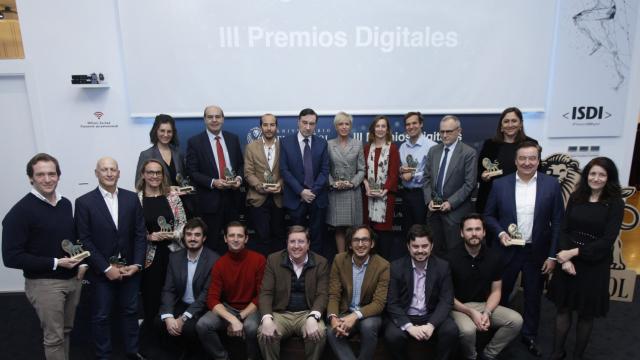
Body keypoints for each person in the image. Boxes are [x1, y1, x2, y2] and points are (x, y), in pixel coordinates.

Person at [484, 141, 564, 357]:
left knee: (533, 296)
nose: (527, 162)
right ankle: (492, 333)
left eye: (532, 158)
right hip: (507, 250)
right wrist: (500, 233)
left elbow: (557, 221)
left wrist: (552, 255)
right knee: (499, 294)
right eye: (523, 158)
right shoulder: (500, 184)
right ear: (515, 160)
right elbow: (489, 216)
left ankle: (529, 335)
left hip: (536, 252)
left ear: (538, 160)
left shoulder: (551, 185)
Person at [2, 153, 84, 360]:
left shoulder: (65, 203)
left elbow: (70, 240)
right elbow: (11, 257)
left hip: (72, 280)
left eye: (52, 174)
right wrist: (56, 263)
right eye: (41, 175)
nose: (47, 179)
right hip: (44, 284)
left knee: (65, 332)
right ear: (31, 178)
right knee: (54, 338)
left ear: (58, 176)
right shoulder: (19, 212)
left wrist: (82, 263)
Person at [547, 157, 624, 360]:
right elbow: (564, 229)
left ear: (609, 178)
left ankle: (577, 356)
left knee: (586, 314)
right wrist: (565, 259)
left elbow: (607, 240)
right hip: (568, 262)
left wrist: (573, 253)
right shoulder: (576, 197)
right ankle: (557, 352)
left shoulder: (615, 203)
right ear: (586, 175)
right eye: (592, 173)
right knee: (563, 309)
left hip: (594, 265)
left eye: (601, 174)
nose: (596, 178)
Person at [75, 157, 147, 360]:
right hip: (101, 273)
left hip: (129, 271)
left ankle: (132, 352)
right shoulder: (84, 202)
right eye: (104, 169)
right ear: (96, 173)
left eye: (112, 169)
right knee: (101, 316)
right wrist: (106, 268)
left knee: (131, 313)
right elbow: (84, 240)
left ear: (119, 173)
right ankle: (103, 356)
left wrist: (137, 264)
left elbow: (140, 234)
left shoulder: (132, 199)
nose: (109, 173)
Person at [447, 214, 523, 360]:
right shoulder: (450, 258)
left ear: (484, 232)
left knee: (516, 321)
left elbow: (496, 291)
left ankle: (488, 354)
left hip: (484, 305)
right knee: (468, 330)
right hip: (458, 307)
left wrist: (487, 312)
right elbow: (447, 296)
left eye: (477, 229)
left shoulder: (494, 257)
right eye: (469, 230)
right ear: (461, 233)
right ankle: (472, 356)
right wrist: (470, 312)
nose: (474, 233)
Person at [384, 224, 457, 360]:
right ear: (408, 246)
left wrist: (431, 325)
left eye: (424, 246)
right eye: (415, 246)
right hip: (406, 315)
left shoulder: (442, 266)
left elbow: (446, 300)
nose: (420, 250)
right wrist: (409, 327)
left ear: (431, 246)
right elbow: (392, 303)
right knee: (393, 336)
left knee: (451, 330)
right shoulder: (396, 267)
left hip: (430, 315)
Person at [196, 221, 266, 360]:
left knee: (251, 327)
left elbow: (261, 296)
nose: (235, 239)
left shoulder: (259, 260)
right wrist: (232, 319)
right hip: (229, 308)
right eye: (231, 235)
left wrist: (239, 317)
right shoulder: (220, 263)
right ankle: (223, 357)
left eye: (239, 236)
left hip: (252, 307)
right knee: (202, 325)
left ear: (246, 239)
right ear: (225, 238)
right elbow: (212, 298)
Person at [258, 226, 329, 360]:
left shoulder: (321, 262)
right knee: (265, 333)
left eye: (301, 241)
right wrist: (267, 318)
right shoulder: (273, 260)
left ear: (308, 244)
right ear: (287, 243)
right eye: (292, 241)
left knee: (318, 332)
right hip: (280, 313)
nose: (296, 246)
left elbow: (322, 294)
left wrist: (313, 317)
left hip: (306, 313)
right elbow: (266, 292)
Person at [135, 159, 187, 338]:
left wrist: (172, 234)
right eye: (150, 172)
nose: (154, 176)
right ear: (143, 174)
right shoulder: (136, 199)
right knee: (152, 297)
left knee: (176, 295)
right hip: (150, 258)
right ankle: (152, 340)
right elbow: (131, 232)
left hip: (174, 254)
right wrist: (149, 237)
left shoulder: (172, 197)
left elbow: (183, 226)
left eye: (158, 172)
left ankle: (175, 337)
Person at [157, 218, 220, 359]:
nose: (192, 238)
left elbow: (206, 295)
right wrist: (168, 316)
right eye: (189, 234)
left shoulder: (214, 260)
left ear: (204, 238)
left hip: (201, 307)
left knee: (190, 328)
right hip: (181, 303)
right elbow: (168, 289)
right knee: (159, 322)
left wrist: (183, 318)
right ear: (184, 237)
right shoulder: (174, 257)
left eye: (197, 235)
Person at [186, 105, 244, 254]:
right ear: (205, 119)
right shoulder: (195, 142)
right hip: (209, 201)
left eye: (217, 117)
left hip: (232, 199)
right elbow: (192, 172)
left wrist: (238, 178)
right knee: (211, 243)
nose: (214, 120)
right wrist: (213, 182)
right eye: (210, 117)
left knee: (234, 241)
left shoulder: (233, 138)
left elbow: (240, 165)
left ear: (223, 119)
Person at [326, 225, 390, 360]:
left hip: (369, 314)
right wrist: (333, 318)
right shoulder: (339, 260)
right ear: (349, 244)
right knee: (332, 331)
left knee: (368, 326)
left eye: (365, 240)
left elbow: (379, 303)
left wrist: (355, 315)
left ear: (372, 243)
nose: (360, 244)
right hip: (345, 311)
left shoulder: (383, 265)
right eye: (356, 240)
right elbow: (334, 295)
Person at [423, 115, 477, 256]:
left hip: (455, 215)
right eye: (442, 132)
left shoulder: (468, 153)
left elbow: (469, 184)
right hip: (433, 215)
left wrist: (450, 203)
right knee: (433, 255)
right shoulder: (433, 151)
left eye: (449, 131)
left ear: (459, 131)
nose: (445, 135)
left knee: (454, 256)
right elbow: (426, 178)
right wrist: (429, 200)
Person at [280, 108, 330, 256]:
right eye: (305, 123)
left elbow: (325, 170)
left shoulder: (322, 143)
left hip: (317, 198)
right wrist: (301, 191)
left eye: (312, 124)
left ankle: (316, 269)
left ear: (316, 125)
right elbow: (284, 170)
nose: (308, 127)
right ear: (298, 122)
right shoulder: (285, 142)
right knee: (297, 238)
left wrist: (312, 192)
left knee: (317, 236)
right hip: (296, 198)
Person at [476, 107, 537, 214]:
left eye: (514, 121)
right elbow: (479, 172)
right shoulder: (490, 144)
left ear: (521, 124)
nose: (510, 125)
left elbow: (538, 173)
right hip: (492, 200)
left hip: (522, 199)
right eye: (506, 121)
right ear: (501, 125)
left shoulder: (531, 144)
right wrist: (483, 177)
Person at [244, 113, 285, 255]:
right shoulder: (251, 147)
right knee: (262, 238)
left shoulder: (284, 146)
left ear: (277, 127)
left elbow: (288, 171)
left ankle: (279, 272)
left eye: (272, 125)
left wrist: (280, 184)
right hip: (258, 198)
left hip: (278, 198)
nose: (269, 128)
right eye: (265, 125)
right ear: (260, 127)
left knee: (279, 237)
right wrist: (259, 186)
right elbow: (248, 172)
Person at [326, 112, 365, 253]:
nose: (344, 127)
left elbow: (362, 170)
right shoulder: (329, 144)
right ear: (336, 127)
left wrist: (352, 183)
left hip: (352, 192)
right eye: (340, 124)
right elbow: (325, 169)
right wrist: (332, 183)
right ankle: (341, 259)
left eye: (346, 124)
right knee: (339, 228)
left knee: (353, 230)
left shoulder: (357, 144)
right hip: (336, 192)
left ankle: (355, 259)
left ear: (350, 126)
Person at [362, 115, 400, 260]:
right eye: (377, 126)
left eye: (383, 126)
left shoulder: (393, 149)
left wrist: (383, 191)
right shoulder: (366, 149)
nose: (380, 129)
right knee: (369, 232)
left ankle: (384, 267)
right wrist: (367, 187)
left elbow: (394, 173)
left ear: (388, 129)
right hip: (368, 196)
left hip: (386, 198)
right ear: (373, 129)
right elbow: (362, 171)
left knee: (383, 235)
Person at [399, 111, 436, 234]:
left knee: (422, 230)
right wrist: (401, 172)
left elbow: (432, 173)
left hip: (422, 195)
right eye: (408, 124)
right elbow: (400, 169)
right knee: (407, 230)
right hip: (406, 194)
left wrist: (413, 174)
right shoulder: (403, 147)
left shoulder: (431, 146)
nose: (411, 127)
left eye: (414, 123)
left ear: (421, 124)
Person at [135, 114, 185, 187]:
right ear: (156, 131)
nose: (166, 135)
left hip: (181, 197)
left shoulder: (179, 153)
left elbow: (183, 179)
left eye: (169, 131)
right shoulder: (146, 155)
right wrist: (168, 190)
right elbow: (138, 184)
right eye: (162, 131)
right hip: (157, 198)